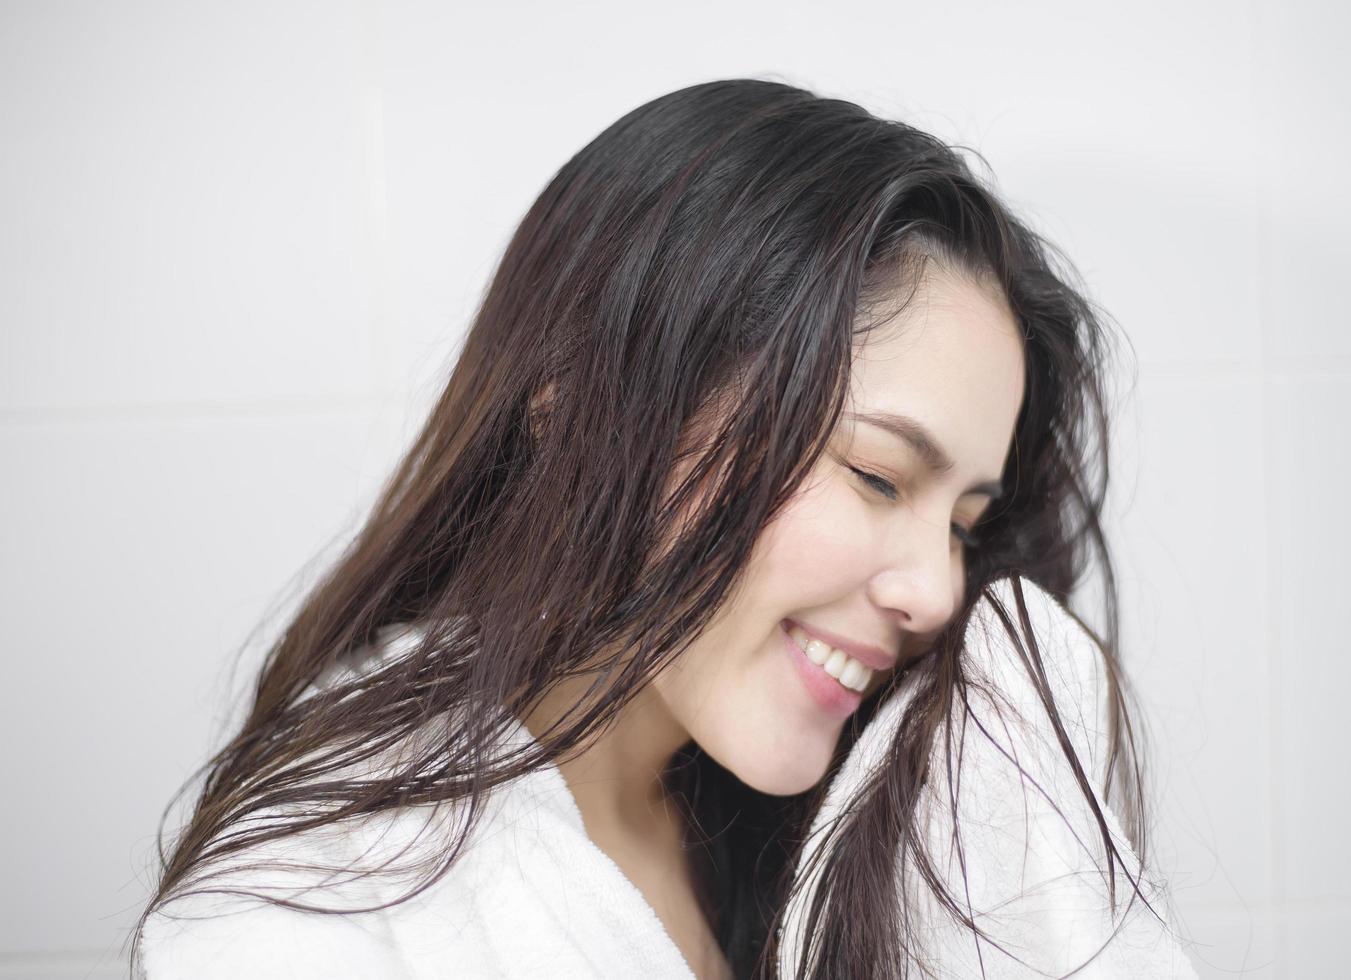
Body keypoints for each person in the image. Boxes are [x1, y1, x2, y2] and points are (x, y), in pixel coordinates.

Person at [131, 78, 1197, 978]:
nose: (936, 590)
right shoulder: (310, 921)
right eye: (877, 474)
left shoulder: (775, 826)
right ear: (591, 410)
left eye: (965, 522)